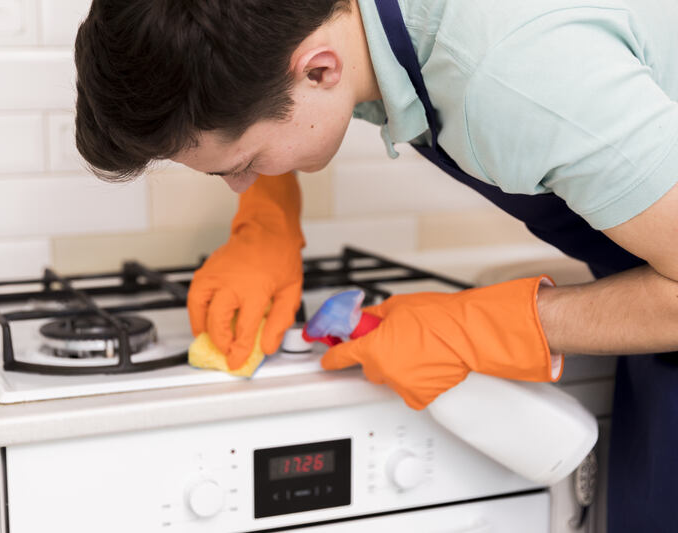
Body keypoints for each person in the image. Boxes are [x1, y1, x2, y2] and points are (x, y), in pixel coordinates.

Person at [73, 0, 678, 529]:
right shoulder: (332, 27)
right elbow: (266, 70)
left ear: (320, 70)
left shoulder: (518, 75)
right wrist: (267, 217)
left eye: (245, 164)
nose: (239, 185)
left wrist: (474, 328)